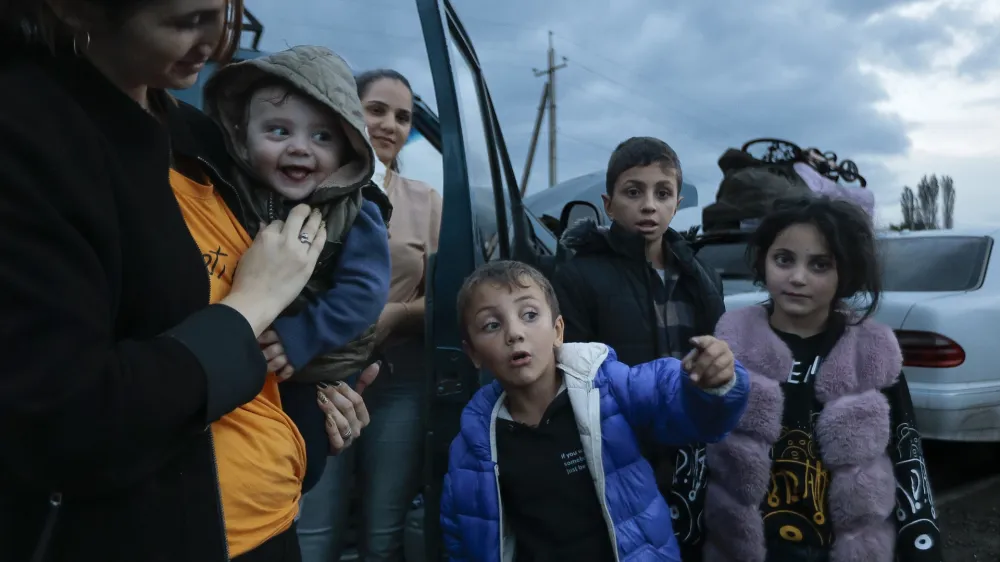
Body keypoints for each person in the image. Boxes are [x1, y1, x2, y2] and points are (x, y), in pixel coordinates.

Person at [0, 2, 372, 560]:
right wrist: (253, 304)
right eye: (185, 20)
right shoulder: (32, 138)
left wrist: (310, 428)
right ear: (77, 11)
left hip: (269, 524)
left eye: (225, 10)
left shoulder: (200, 138)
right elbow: (67, 422)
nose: (218, 40)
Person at [440, 260, 749, 562]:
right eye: (492, 325)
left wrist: (712, 385)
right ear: (473, 353)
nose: (514, 333)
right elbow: (463, 540)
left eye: (530, 314)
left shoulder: (606, 388)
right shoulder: (472, 448)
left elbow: (670, 395)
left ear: (558, 330)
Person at [698, 197, 941, 562]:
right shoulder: (733, 346)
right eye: (784, 259)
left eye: (820, 265)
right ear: (764, 261)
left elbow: (907, 456)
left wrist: (922, 543)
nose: (798, 277)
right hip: (747, 549)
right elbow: (696, 453)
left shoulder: (871, 353)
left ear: (845, 273)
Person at [201, 44, 393, 494]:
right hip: (238, 358)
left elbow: (365, 293)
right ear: (242, 136)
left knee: (302, 451)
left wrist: (301, 336)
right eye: (278, 130)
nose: (300, 149)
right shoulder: (226, 190)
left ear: (348, 146)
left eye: (322, 137)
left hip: (312, 363)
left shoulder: (354, 212)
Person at [550, 136, 725, 549]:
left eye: (662, 193)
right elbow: (572, 375)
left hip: (690, 452)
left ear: (677, 203)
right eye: (634, 192)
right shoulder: (579, 277)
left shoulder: (702, 278)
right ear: (608, 204)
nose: (649, 205)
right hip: (617, 452)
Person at [296, 68, 442, 561]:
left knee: (384, 532)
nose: (390, 125)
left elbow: (447, 297)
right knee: (313, 526)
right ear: (346, 109)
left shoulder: (426, 201)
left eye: (403, 117)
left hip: (397, 380)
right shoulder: (307, 182)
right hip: (317, 376)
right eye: (376, 109)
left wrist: (397, 314)